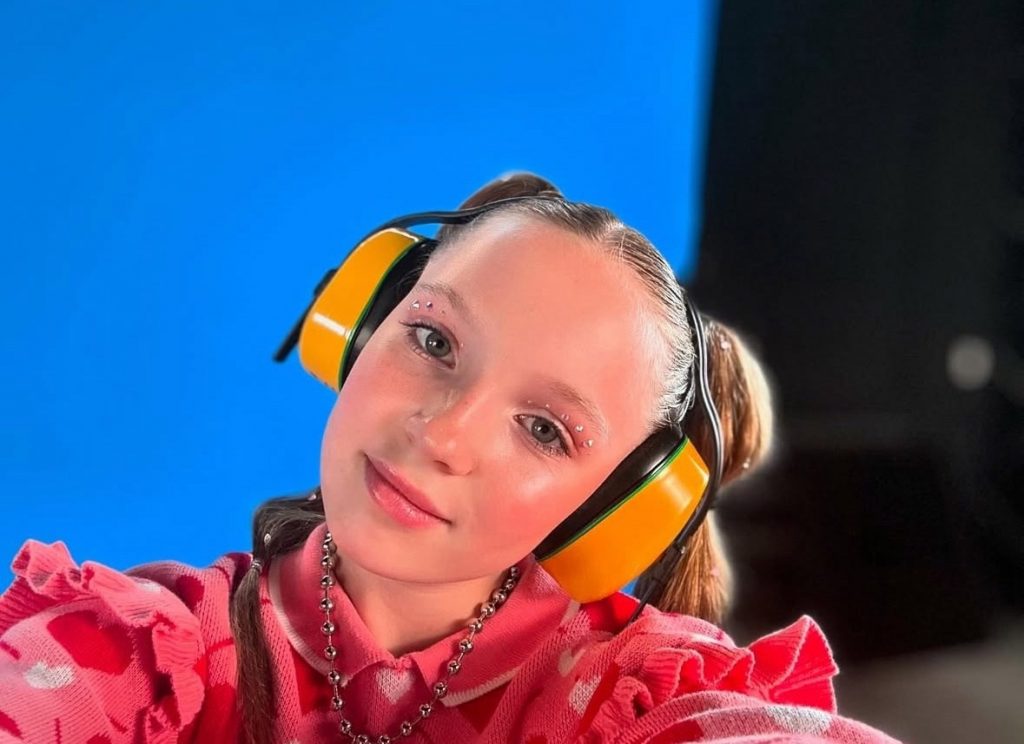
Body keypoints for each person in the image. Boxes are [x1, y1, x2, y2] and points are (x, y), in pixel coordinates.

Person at [0, 174, 899, 743]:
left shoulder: (630, 701)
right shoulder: (142, 654)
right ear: (360, 325)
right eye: (434, 341)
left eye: (543, 428)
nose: (443, 435)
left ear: (613, 509)